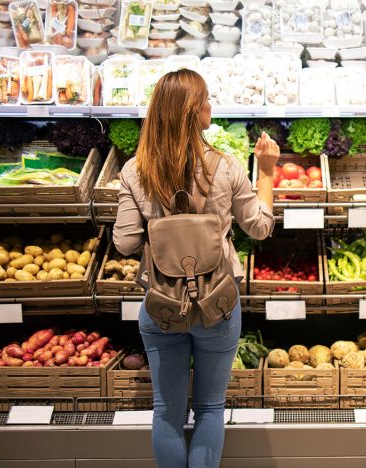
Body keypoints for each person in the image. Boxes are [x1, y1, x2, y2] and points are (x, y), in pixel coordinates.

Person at [113, 68, 279, 468]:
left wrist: (162, 233)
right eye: (205, 99)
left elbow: (125, 242)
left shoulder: (136, 172)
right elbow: (259, 227)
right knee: (209, 407)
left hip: (162, 306)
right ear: (192, 113)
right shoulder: (226, 166)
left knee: (166, 412)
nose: (210, 105)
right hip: (217, 304)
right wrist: (268, 172)